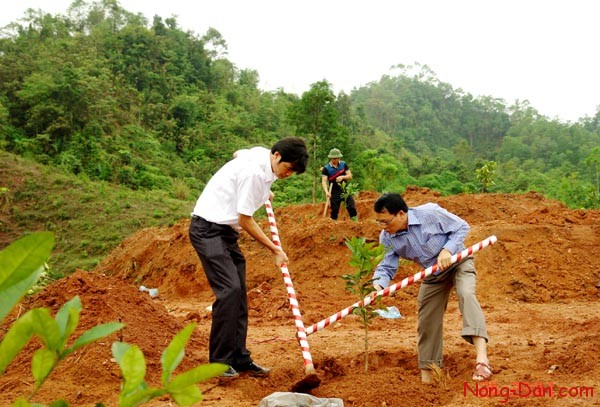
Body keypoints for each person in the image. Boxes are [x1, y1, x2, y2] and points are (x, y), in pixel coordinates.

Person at [189, 137, 309, 378]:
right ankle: (219, 363)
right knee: (229, 291)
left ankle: (240, 358)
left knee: (239, 294)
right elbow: (245, 219)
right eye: (288, 169)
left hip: (226, 232)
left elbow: (237, 153)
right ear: (276, 156)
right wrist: (275, 249)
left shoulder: (259, 155)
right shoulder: (254, 173)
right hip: (207, 230)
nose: (288, 175)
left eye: (293, 172)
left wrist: (264, 192)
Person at [371, 193, 491, 383]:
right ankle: (429, 376)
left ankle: (482, 360)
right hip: (433, 274)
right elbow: (386, 266)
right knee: (426, 317)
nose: (383, 227)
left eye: (386, 221)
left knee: (466, 294)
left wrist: (447, 250)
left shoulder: (431, 213)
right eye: (379, 223)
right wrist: (377, 286)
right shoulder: (387, 237)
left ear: (401, 214)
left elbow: (462, 227)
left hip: (458, 260)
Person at [321, 148, 357, 221]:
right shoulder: (326, 168)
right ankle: (333, 224)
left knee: (351, 206)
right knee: (334, 210)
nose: (336, 160)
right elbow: (324, 181)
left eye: (337, 158)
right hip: (334, 191)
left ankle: (355, 222)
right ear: (331, 158)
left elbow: (350, 176)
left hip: (344, 189)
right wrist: (327, 192)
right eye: (334, 159)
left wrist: (343, 177)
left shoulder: (343, 165)